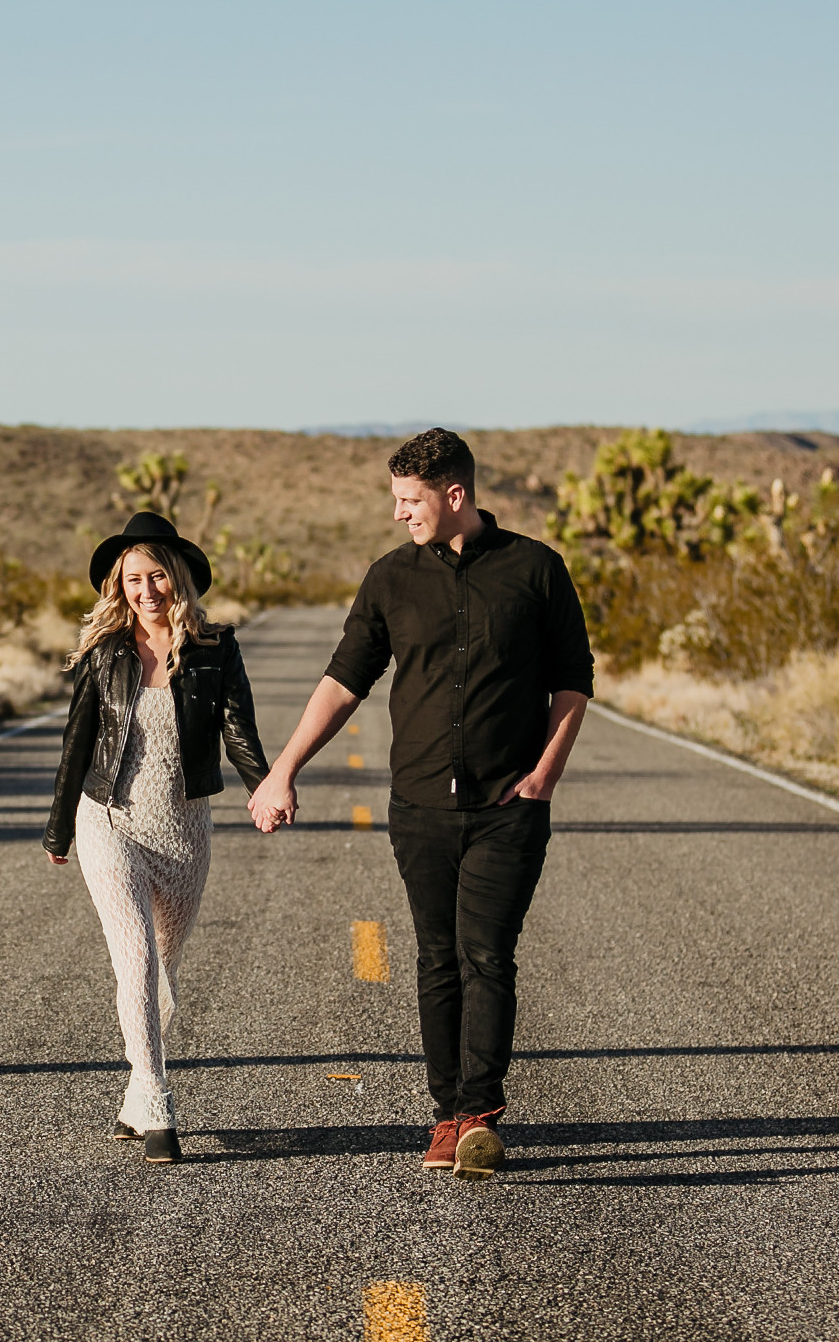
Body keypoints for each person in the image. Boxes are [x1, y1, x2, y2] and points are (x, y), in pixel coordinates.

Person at [248, 429, 591, 1182]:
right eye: (397, 500)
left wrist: (544, 778)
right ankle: (447, 1116)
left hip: (509, 803)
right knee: (437, 958)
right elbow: (344, 681)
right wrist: (283, 771)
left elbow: (573, 681)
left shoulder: (536, 570)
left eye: (410, 500)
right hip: (420, 805)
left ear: (454, 495)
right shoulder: (391, 579)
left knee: (486, 953)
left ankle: (481, 1114)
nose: (400, 514)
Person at [45, 511, 274, 1164]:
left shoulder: (214, 649)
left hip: (184, 830)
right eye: (133, 579)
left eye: (156, 577)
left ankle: (133, 1092)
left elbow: (239, 731)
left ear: (177, 579)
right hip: (108, 820)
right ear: (119, 587)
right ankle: (156, 1096)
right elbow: (76, 745)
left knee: (162, 974)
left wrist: (264, 787)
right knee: (136, 962)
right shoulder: (104, 653)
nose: (146, 590)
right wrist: (59, 828)